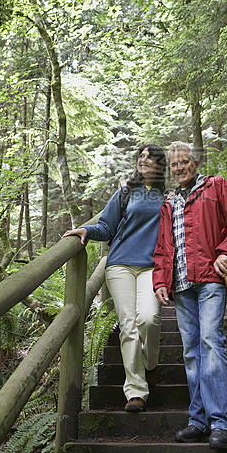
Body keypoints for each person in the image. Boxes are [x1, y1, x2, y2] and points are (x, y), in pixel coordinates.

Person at [152, 142, 227, 449]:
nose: (179, 168)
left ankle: (223, 423)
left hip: (210, 279)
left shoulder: (217, 186)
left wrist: (226, 253)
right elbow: (162, 248)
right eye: (174, 165)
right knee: (191, 351)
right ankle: (199, 420)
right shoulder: (168, 204)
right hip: (181, 286)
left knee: (210, 341)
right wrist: (160, 280)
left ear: (195, 163)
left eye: (184, 162)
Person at [63, 144, 167, 413]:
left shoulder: (167, 198)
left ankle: (151, 365)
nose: (144, 160)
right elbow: (107, 226)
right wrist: (86, 230)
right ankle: (136, 391)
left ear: (160, 165)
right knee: (128, 324)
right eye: (140, 156)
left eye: (150, 157)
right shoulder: (124, 193)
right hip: (119, 265)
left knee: (149, 318)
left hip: (151, 267)